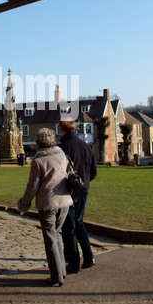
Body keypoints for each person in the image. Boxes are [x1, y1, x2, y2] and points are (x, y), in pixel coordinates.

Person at [17, 128, 73, 287]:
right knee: (56, 236)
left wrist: (24, 203)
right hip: (64, 201)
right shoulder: (61, 154)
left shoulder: (37, 161)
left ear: (38, 142)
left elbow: (32, 187)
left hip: (48, 203)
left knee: (50, 239)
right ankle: (61, 271)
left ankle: (56, 276)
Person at [59, 117, 97, 274]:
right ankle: (88, 257)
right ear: (74, 129)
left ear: (62, 130)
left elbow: (60, 171)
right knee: (79, 223)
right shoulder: (86, 146)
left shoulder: (63, 147)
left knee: (69, 227)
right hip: (84, 189)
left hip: (70, 191)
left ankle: (73, 263)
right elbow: (94, 171)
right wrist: (85, 182)